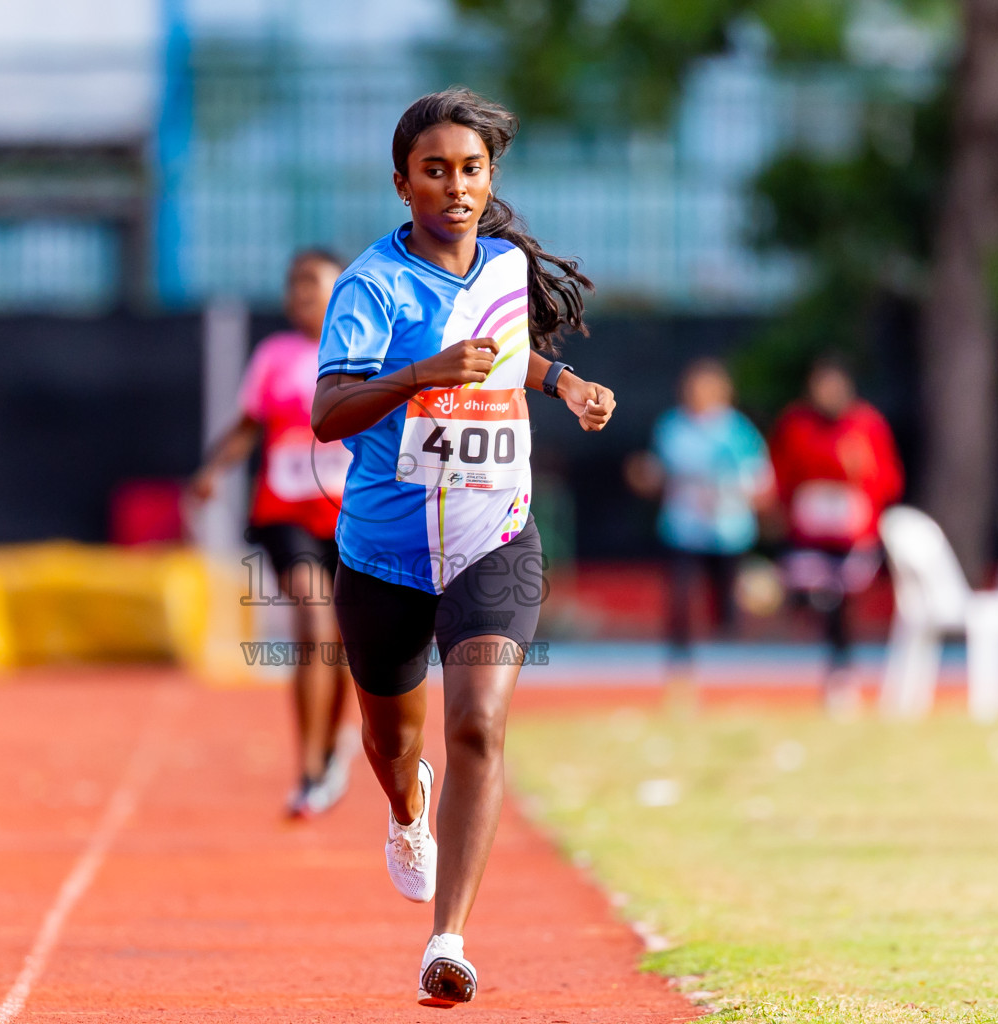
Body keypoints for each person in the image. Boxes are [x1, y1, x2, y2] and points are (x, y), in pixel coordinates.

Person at [311, 88, 616, 1008]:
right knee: (388, 741)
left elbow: (508, 350)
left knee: (479, 720)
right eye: (435, 170)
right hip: (386, 551)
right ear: (402, 181)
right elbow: (327, 414)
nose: (454, 186)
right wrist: (417, 376)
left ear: (491, 180)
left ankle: (446, 940)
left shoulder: (503, 267)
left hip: (496, 536)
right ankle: (409, 809)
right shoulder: (372, 285)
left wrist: (563, 383)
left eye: (471, 170)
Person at [191, 249, 357, 818]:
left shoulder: (369, 355)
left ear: (343, 289)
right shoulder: (274, 356)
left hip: (354, 518)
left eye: (312, 283)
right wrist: (213, 471)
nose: (299, 294)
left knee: (343, 645)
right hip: (286, 514)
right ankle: (309, 769)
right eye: (292, 284)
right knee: (313, 623)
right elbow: (246, 426)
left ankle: (333, 749)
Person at [768, 354, 904, 712]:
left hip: (853, 537)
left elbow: (890, 481)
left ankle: (841, 674)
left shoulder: (867, 425)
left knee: (840, 603)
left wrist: (864, 472)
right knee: (819, 597)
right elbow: (781, 473)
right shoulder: (796, 424)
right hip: (808, 535)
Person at [625, 358, 772, 662]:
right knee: (680, 599)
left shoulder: (737, 431)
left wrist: (735, 493)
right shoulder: (672, 427)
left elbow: (760, 481)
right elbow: (659, 473)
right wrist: (645, 477)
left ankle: (730, 668)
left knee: (725, 608)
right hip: (684, 528)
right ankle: (680, 669)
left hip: (729, 530)